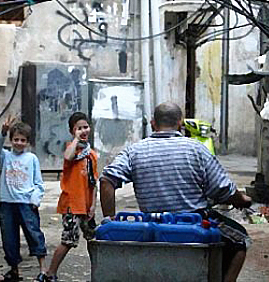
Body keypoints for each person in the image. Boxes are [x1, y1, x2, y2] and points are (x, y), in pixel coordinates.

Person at [99, 102, 252, 282]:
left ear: (153, 123)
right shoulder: (196, 149)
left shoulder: (134, 151)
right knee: (241, 239)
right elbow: (222, 189)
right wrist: (242, 199)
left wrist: (109, 219)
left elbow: (107, 180)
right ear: (180, 123)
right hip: (193, 220)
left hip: (152, 223)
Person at [0, 115, 47, 282]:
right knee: (9, 239)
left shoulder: (32, 159)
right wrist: (3, 131)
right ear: (11, 140)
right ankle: (14, 270)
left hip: (26, 204)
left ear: (28, 142)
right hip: (7, 204)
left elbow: (38, 183)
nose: (19, 143)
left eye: (23, 140)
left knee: (34, 235)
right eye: (16, 139)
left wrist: (35, 200)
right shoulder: (5, 156)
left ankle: (43, 270)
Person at [45, 112, 98, 282]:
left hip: (86, 205)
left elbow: (94, 182)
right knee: (68, 240)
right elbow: (68, 156)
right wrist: (75, 139)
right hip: (71, 205)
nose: (83, 131)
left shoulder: (92, 154)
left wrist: (93, 206)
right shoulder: (72, 149)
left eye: (85, 127)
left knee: (94, 239)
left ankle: (98, 271)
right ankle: (50, 273)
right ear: (72, 131)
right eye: (78, 128)